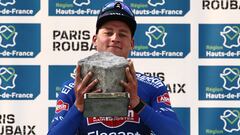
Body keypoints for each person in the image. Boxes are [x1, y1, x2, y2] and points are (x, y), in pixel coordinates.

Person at [48, 1, 185, 135]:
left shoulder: (152, 86)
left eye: (122, 34)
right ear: (94, 40)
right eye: (108, 33)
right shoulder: (73, 89)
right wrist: (78, 107)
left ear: (132, 43)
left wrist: (137, 103)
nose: (115, 38)